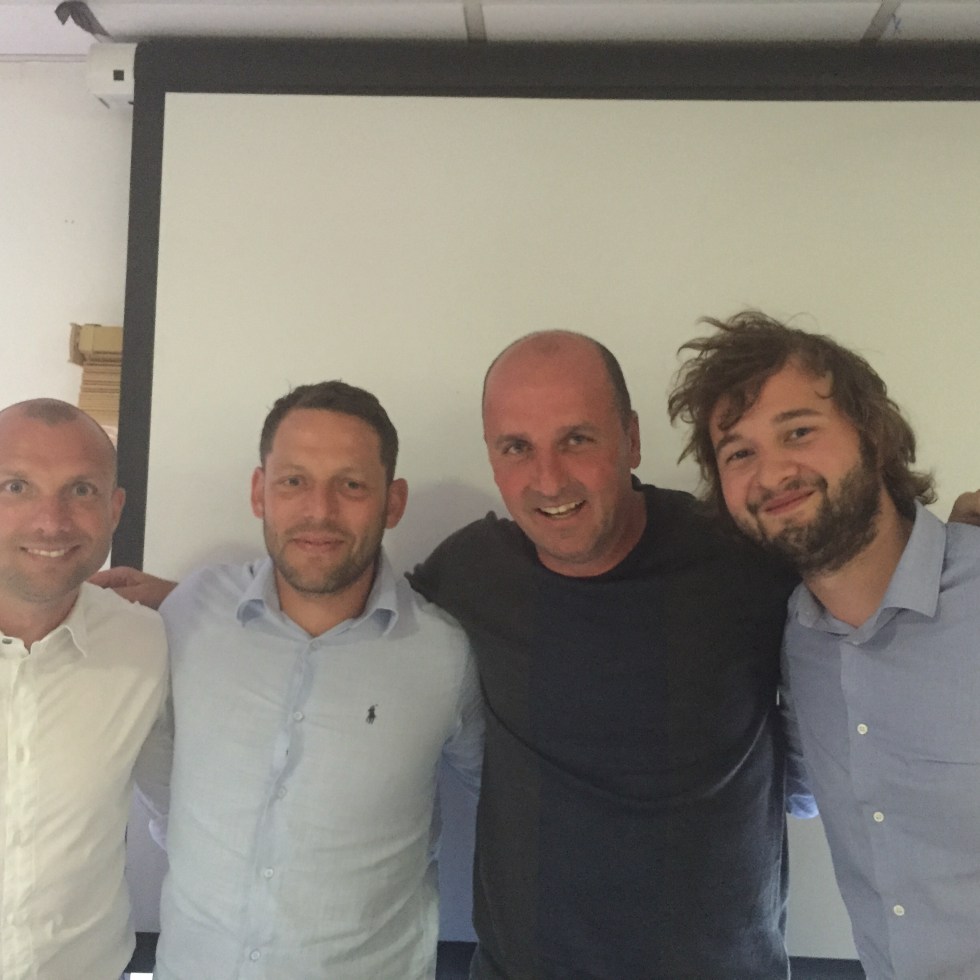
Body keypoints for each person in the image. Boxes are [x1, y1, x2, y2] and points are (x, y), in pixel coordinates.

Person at [408, 331, 809, 979]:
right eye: (517, 447)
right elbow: (356, 629)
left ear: (632, 438)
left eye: (577, 439)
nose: (549, 479)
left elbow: (869, 606)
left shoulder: (742, 555)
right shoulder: (472, 572)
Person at [105, 381, 483, 980]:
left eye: (351, 485)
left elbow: (511, 799)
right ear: (260, 492)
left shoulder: (444, 655)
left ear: (393, 502)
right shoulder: (195, 612)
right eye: (294, 481)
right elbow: (158, 760)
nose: (319, 510)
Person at [668, 310, 980, 980]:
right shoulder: (796, 641)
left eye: (799, 431)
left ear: (872, 433)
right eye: (739, 453)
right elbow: (800, 791)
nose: (772, 472)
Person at [0, 398, 169, 980]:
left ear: (114, 508)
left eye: (81, 490)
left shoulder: (146, 646)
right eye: (16, 486)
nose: (51, 522)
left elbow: (186, 815)